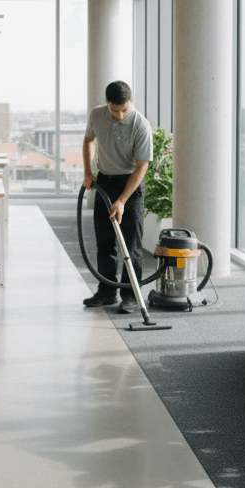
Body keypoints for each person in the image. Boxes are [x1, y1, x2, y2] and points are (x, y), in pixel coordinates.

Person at [82, 80, 153, 314]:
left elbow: (142, 166)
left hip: (130, 185)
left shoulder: (141, 125)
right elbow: (88, 140)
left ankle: (130, 296)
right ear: (107, 103)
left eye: (124, 109)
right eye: (114, 110)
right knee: (105, 242)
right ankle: (107, 292)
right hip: (104, 181)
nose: (119, 115)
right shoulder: (97, 115)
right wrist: (88, 172)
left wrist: (122, 200)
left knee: (131, 245)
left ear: (131, 101)